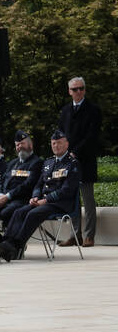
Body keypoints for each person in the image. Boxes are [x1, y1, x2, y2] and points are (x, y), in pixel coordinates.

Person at [0, 128, 85, 260]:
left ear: (67, 144)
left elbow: (66, 190)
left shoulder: (72, 164)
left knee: (33, 213)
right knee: (19, 211)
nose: (56, 146)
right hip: (43, 202)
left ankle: (15, 245)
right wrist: (35, 196)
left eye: (59, 143)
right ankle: (6, 243)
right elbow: (39, 184)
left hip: (60, 203)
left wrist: (45, 200)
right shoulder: (48, 162)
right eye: (53, 143)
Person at [56, 77, 102, 245]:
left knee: (87, 199)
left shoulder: (93, 110)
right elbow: (60, 133)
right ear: (69, 91)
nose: (78, 92)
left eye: (81, 88)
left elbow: (92, 136)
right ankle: (75, 236)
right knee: (72, 198)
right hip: (68, 161)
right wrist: (62, 152)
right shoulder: (66, 110)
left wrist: (74, 152)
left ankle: (89, 235)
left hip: (85, 160)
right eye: (75, 89)